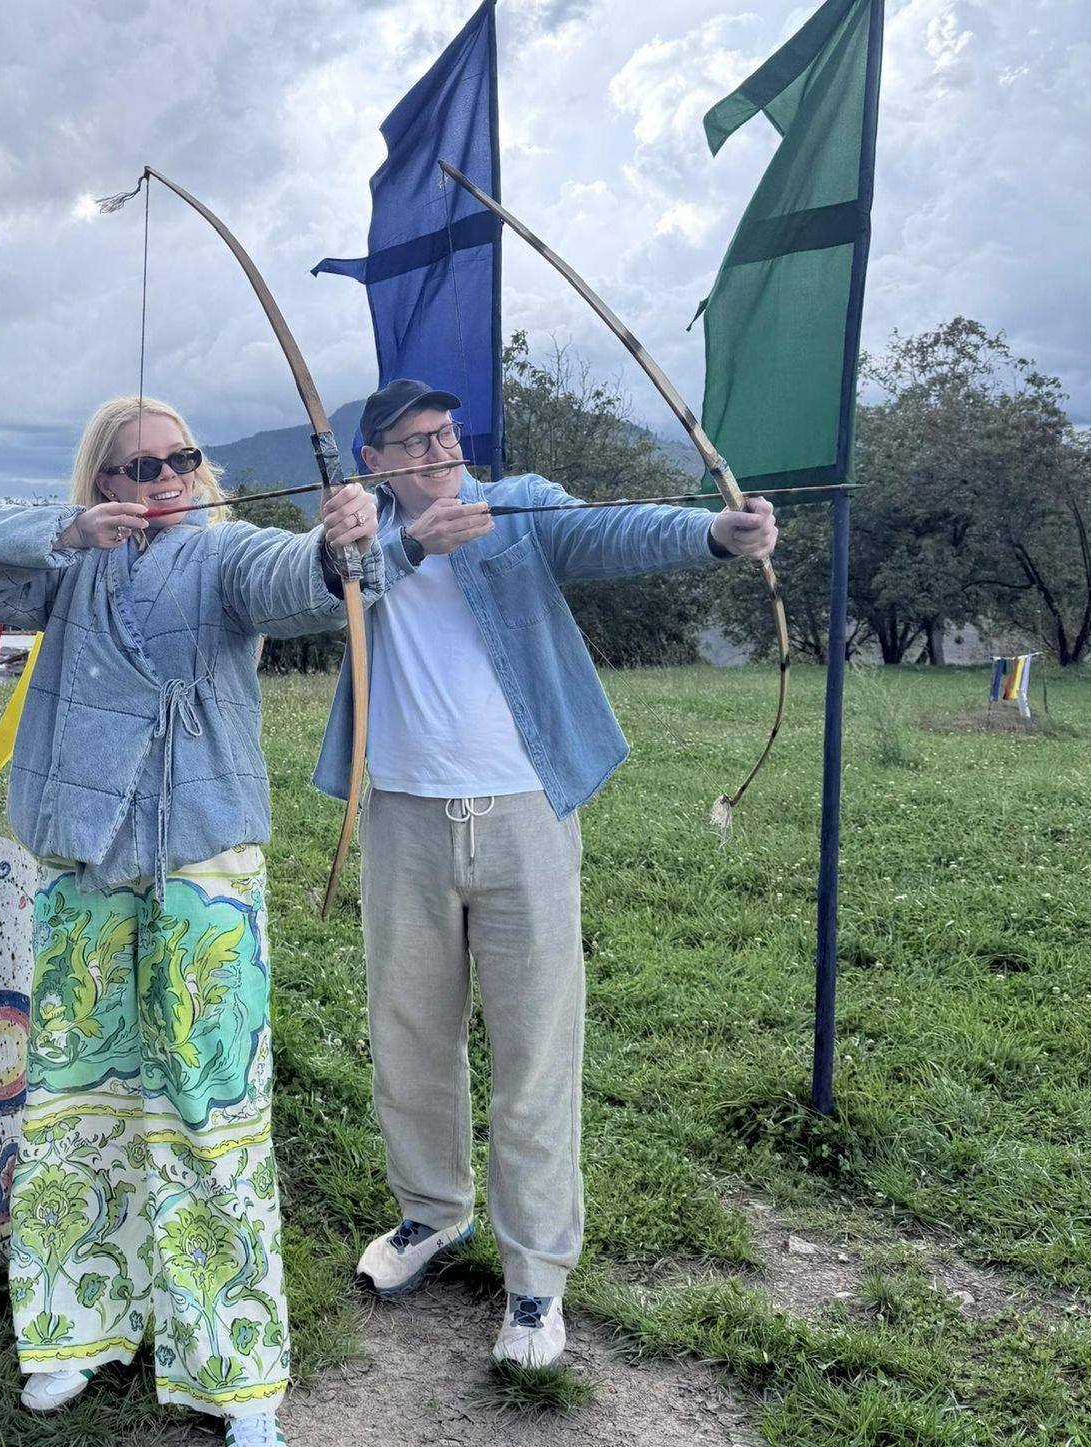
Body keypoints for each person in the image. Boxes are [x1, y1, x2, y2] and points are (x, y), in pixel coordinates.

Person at [0, 396, 383, 1447]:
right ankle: (76, 1329)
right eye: (134, 467)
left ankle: (240, 1375)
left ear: (202, 469)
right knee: (75, 1101)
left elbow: (294, 579)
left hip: (202, 870)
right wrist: (67, 526)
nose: (161, 477)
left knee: (209, 1111)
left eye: (178, 459)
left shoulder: (225, 553)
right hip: (86, 864)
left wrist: (340, 545)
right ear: (102, 478)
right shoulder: (68, 561)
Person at [312, 379, 778, 1366]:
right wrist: (397, 541)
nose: (439, 452)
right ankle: (432, 1214)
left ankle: (535, 1280)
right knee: (407, 1033)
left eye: (446, 432)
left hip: (524, 813)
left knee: (533, 1047)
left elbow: (611, 532)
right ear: (373, 459)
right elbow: (324, 584)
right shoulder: (360, 536)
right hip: (401, 814)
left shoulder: (512, 504)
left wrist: (711, 533)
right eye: (412, 441)